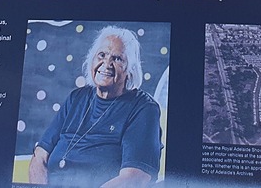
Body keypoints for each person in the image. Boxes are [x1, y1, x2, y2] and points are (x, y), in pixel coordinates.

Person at [28, 26, 163, 187]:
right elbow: (40, 156)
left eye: (117, 59)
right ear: (92, 59)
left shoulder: (144, 108)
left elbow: (134, 178)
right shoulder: (76, 99)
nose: (107, 64)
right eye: (102, 55)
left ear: (130, 69)